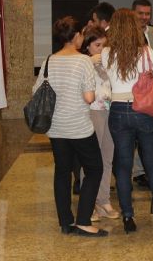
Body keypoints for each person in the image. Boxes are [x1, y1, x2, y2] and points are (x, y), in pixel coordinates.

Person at [33, 16, 107, 237]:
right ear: (76, 36)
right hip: (79, 127)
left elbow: (36, 91)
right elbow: (88, 97)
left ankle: (65, 222)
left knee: (62, 172)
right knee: (94, 169)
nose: (82, 38)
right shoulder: (83, 61)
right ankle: (83, 220)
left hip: (56, 127)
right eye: (81, 34)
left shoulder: (49, 61)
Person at [102, 8, 153, 233]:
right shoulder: (146, 51)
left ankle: (128, 217)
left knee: (123, 167)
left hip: (118, 111)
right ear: (134, 27)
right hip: (145, 110)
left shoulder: (106, 53)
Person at [79, 26, 120, 221]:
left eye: (104, 45)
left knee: (107, 157)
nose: (102, 49)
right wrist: (90, 61)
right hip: (92, 111)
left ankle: (103, 200)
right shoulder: (83, 62)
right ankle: (89, 203)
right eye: (97, 45)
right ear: (87, 46)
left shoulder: (108, 60)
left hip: (109, 110)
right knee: (90, 159)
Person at [130, 0, 153, 187]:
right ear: (133, 13)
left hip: (150, 95)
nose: (144, 17)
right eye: (140, 13)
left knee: (147, 136)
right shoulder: (125, 34)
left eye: (147, 14)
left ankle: (141, 172)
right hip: (130, 94)